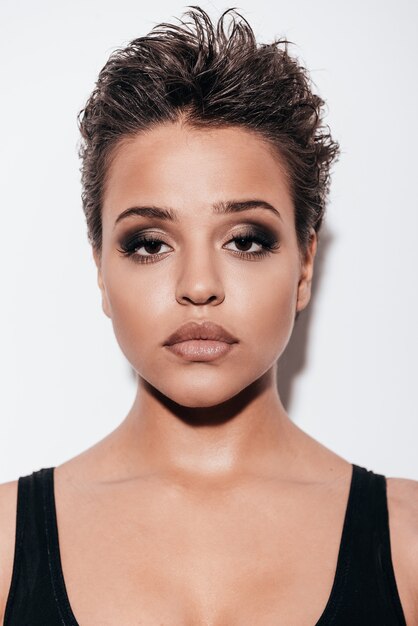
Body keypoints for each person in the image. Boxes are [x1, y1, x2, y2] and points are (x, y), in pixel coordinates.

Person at [0, 6, 417, 625]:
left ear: (304, 266)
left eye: (245, 240)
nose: (198, 286)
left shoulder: (409, 544)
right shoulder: (5, 546)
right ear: (100, 271)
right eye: (149, 243)